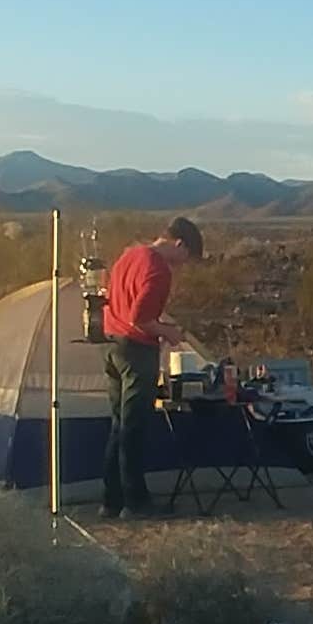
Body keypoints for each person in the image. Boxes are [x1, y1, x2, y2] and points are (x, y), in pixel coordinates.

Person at [94, 215, 202, 518]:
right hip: (136, 351)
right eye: (184, 258)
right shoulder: (156, 270)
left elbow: (119, 303)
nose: (180, 266)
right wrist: (168, 332)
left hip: (111, 345)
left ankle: (111, 499)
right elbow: (139, 318)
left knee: (118, 424)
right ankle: (135, 501)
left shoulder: (129, 255)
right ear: (179, 244)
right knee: (134, 426)